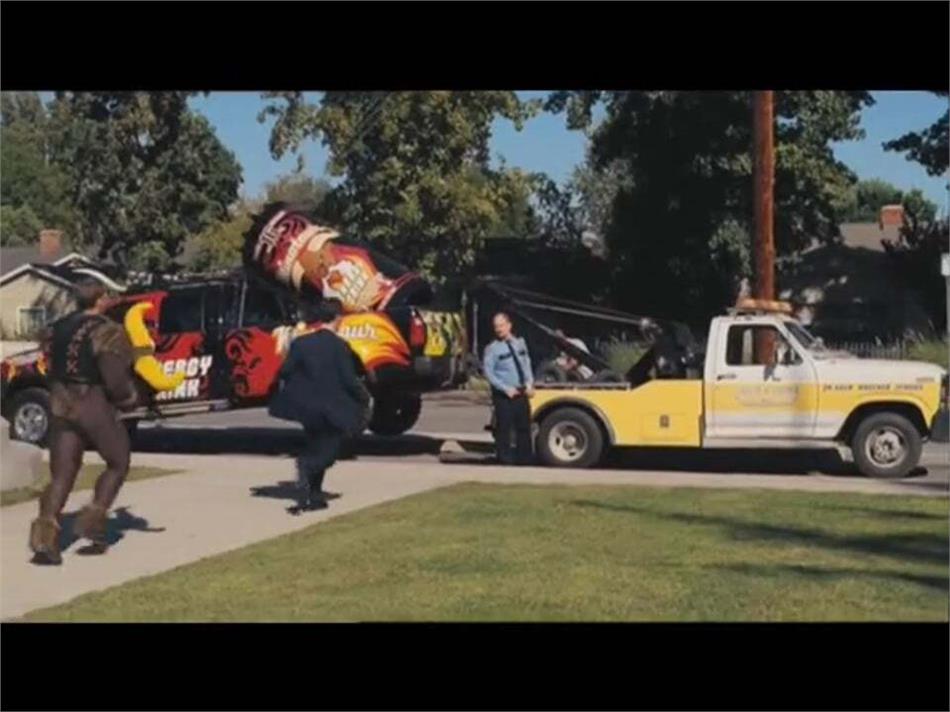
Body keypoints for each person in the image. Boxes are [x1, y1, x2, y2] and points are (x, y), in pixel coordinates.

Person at [29, 276, 140, 565]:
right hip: (91, 402)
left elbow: (48, 365)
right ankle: (93, 523)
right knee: (118, 462)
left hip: (60, 402)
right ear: (100, 299)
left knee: (62, 474)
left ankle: (44, 540)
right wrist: (128, 399)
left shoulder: (56, 328)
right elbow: (113, 376)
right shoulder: (107, 331)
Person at [268, 300, 370, 514]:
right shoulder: (339, 346)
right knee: (328, 451)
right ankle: (307, 468)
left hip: (306, 407)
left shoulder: (301, 344)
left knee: (316, 443)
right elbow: (349, 379)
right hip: (331, 406)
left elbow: (285, 371)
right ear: (337, 319)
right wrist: (363, 397)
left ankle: (313, 496)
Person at [483, 312, 535, 465]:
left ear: (509, 325)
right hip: (504, 395)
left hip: (521, 391)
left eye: (501, 326)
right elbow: (489, 373)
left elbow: (526, 364)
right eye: (496, 327)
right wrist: (505, 389)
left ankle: (524, 458)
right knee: (504, 428)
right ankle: (504, 459)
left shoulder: (520, 343)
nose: (499, 329)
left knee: (524, 427)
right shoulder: (492, 349)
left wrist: (530, 383)